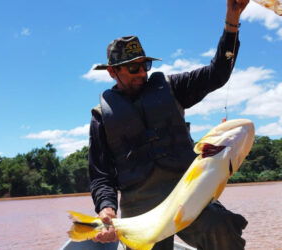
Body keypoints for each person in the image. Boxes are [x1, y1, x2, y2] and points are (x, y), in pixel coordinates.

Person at [88, 0, 249, 249]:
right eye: (133, 67)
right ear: (112, 72)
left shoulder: (173, 88)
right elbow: (101, 176)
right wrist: (107, 210)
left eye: (146, 65)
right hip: (140, 207)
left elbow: (218, 73)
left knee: (221, 226)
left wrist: (232, 21)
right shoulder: (101, 118)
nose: (142, 72)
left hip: (187, 194)